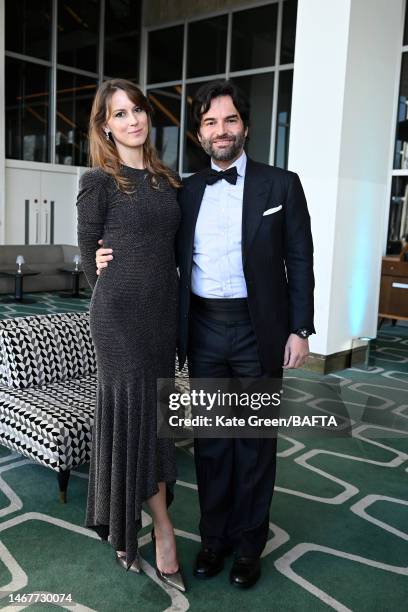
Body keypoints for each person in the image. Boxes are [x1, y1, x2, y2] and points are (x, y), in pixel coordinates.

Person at [96, 79, 315, 589]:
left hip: (260, 329)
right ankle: (214, 540)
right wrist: (103, 255)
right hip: (204, 330)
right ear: (199, 133)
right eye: (211, 123)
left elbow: (299, 260)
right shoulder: (184, 190)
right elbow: (146, 239)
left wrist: (300, 328)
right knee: (214, 442)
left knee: (254, 443)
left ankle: (248, 545)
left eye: (230, 120)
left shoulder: (282, 185)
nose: (221, 131)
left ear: (246, 126)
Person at [76, 78, 185, 593]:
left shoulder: (169, 180)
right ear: (106, 126)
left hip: (162, 318)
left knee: (152, 424)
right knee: (133, 422)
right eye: (119, 114)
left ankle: (126, 525)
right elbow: (86, 254)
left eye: (138, 110)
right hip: (118, 320)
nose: (133, 120)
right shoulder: (99, 180)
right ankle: (160, 529)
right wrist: (98, 268)